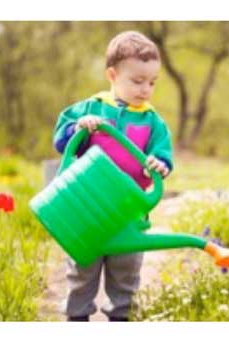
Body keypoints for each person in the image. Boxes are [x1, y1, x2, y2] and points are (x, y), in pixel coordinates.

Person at [51, 30, 173, 321]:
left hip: (127, 210)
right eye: (137, 81)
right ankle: (76, 319)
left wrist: (159, 163)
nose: (145, 89)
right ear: (112, 75)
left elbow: (163, 154)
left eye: (152, 82)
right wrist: (79, 127)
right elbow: (61, 141)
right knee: (82, 273)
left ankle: (121, 319)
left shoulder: (152, 120)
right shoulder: (91, 107)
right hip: (87, 209)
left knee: (126, 275)